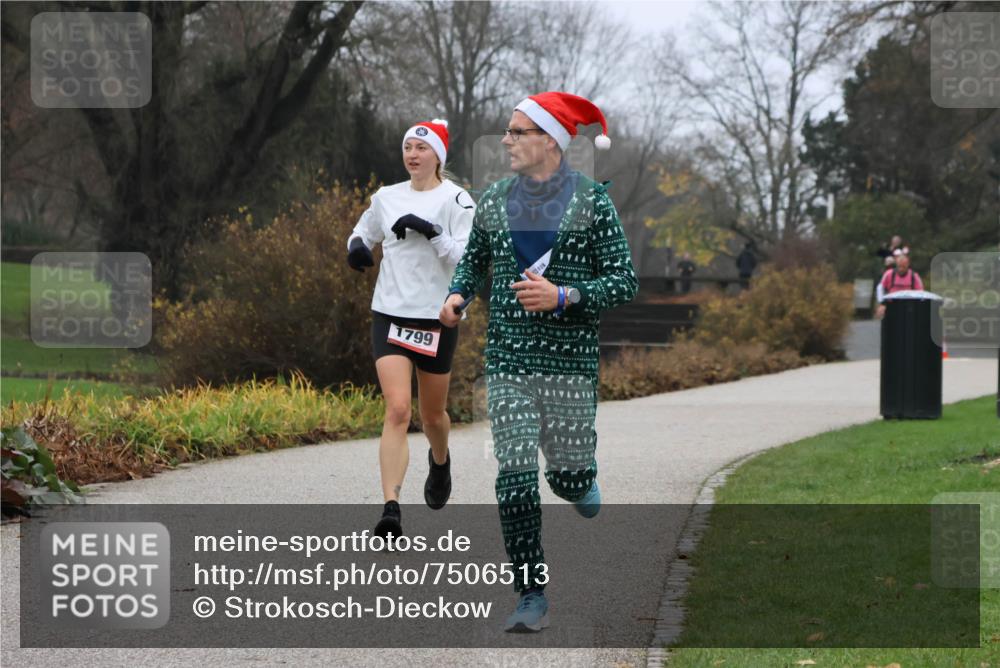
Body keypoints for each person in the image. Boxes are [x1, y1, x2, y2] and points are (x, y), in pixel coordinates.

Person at [439, 91, 638, 633]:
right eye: (506, 131)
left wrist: (565, 295)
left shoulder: (593, 203)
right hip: (507, 363)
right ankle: (531, 594)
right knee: (516, 475)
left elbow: (624, 281)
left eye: (516, 131)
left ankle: (578, 481)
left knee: (569, 480)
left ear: (549, 140)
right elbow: (474, 262)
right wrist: (459, 296)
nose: (505, 140)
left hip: (569, 366)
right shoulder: (494, 198)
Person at [347, 119, 475, 539]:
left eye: (422, 147)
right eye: (408, 148)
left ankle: (440, 461)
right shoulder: (386, 197)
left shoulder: (457, 199)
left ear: (438, 154)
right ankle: (391, 509)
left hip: (437, 317)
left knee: (431, 414)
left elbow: (467, 257)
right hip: (390, 313)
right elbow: (364, 230)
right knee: (398, 409)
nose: (413, 154)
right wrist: (357, 249)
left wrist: (433, 232)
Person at [875, 249, 923, 319]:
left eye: (903, 267)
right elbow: (880, 288)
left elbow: (920, 293)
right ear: (896, 264)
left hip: (909, 307)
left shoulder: (914, 276)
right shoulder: (889, 274)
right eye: (899, 266)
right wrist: (882, 304)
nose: (901, 269)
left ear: (908, 265)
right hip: (891, 306)